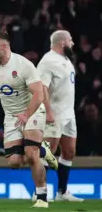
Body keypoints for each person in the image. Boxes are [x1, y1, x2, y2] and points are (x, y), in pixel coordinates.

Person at [0, 30, 58, 208]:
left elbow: (39, 93)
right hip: (11, 117)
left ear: (4, 45)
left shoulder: (23, 65)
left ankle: (42, 197)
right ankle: (43, 149)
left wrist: (26, 114)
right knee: (14, 162)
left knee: (31, 154)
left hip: (33, 110)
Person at [37, 30, 83, 202]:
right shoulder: (48, 61)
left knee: (69, 151)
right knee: (49, 152)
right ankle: (39, 191)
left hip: (68, 114)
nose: (73, 44)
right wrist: (48, 111)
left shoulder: (66, 60)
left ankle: (62, 193)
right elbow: (42, 88)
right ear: (62, 43)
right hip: (54, 113)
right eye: (71, 41)